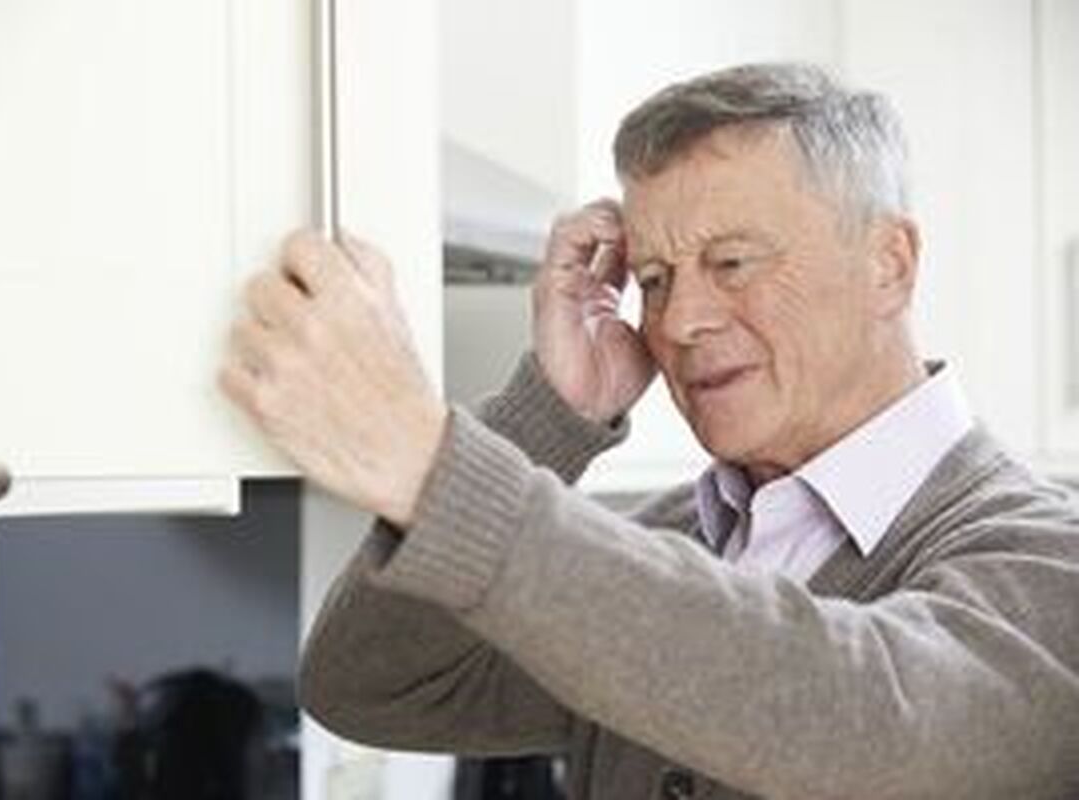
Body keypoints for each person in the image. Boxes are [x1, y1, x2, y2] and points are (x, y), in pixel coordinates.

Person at [219, 62, 1079, 798]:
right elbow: (371, 684)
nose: (680, 321)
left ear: (889, 264)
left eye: (732, 262)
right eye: (657, 278)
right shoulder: (676, 540)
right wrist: (547, 419)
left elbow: (860, 720)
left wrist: (433, 467)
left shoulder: (1046, 563)